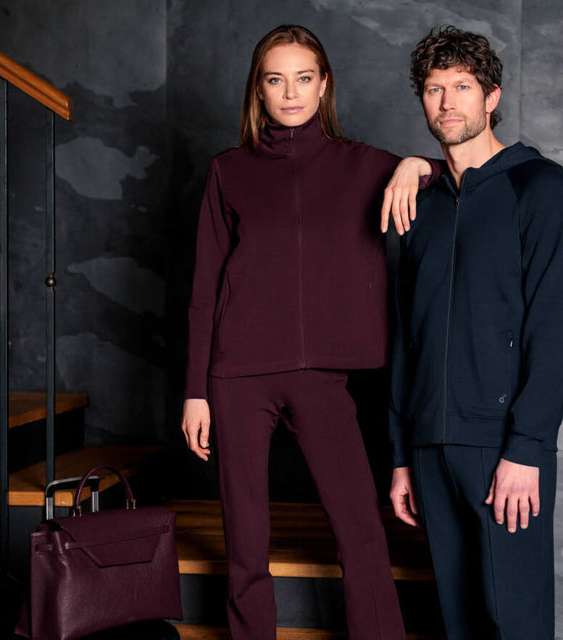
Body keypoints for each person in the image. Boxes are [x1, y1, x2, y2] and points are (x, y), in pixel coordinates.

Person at [181, 24, 439, 640]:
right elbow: (203, 290)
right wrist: (196, 391)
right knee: (246, 542)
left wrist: (414, 165)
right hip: (236, 376)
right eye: (276, 80)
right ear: (259, 91)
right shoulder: (229, 172)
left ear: (323, 86)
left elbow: (452, 173)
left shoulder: (366, 165)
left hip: (324, 377)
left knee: (361, 529)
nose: (290, 92)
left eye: (303, 78)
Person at [388, 26, 563, 640]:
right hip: (430, 448)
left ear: (492, 95)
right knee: (458, 622)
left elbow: (553, 333)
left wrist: (526, 449)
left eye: (462, 87)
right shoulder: (418, 205)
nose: (447, 102)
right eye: (433, 89)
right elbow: (405, 339)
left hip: (504, 450)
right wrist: (401, 457)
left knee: (514, 621)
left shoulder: (542, 191)